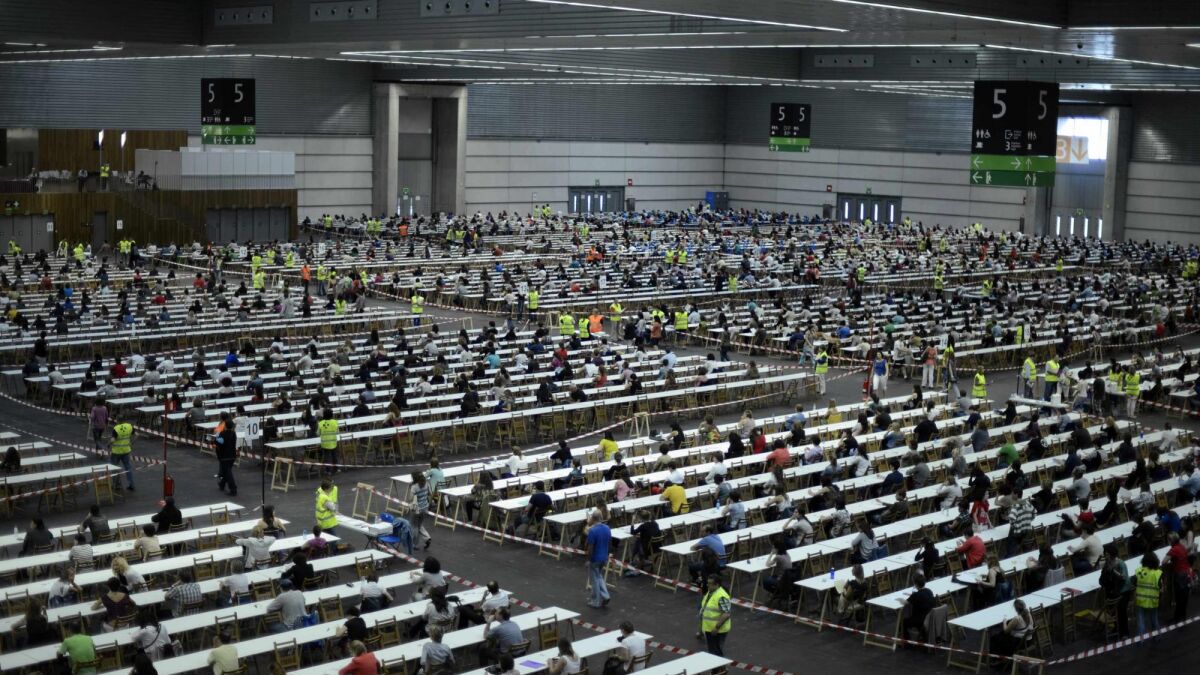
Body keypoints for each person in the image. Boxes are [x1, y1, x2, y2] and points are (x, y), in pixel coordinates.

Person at [700, 572, 732, 656]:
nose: (707, 585)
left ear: (717, 585)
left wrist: (716, 628)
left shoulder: (721, 596)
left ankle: (721, 665)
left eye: (710, 583)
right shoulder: (711, 592)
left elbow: (726, 614)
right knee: (712, 652)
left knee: (717, 654)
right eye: (707, 583)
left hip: (718, 630)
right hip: (709, 628)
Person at [1163, 532, 1192, 623]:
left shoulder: (1174, 549)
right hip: (1187, 573)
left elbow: (1164, 561)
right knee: (1184, 597)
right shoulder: (1181, 546)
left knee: (1179, 598)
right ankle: (1182, 617)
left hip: (1180, 575)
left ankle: (1177, 618)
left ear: (1171, 540)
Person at [585, 511, 611, 609]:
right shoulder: (607, 528)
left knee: (594, 580)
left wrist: (589, 560)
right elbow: (609, 543)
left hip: (595, 558)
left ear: (593, 518)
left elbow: (590, 547)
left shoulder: (592, 531)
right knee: (599, 576)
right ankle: (605, 595)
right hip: (604, 557)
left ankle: (595, 601)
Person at [1134, 551, 1163, 635]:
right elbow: (1161, 588)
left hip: (1140, 601)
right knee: (1154, 621)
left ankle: (1141, 640)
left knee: (1141, 623)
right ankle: (1157, 637)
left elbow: (1134, 583)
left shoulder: (1139, 571)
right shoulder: (1157, 573)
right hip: (1153, 601)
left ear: (1143, 561)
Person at [901, 574, 936, 641]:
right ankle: (921, 635)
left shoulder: (916, 595)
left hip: (920, 620)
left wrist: (900, 599)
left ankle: (906, 642)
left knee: (904, 622)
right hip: (929, 617)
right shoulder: (929, 591)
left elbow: (905, 602)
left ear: (916, 584)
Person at [214, 411, 238, 495]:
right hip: (232, 455)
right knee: (226, 471)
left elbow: (218, 443)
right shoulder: (233, 434)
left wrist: (215, 439)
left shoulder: (222, 434)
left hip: (224, 456)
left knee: (228, 473)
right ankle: (222, 484)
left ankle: (233, 489)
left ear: (225, 426)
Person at [110, 415, 135, 490]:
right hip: (126, 450)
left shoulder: (116, 428)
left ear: (117, 420)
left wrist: (108, 444)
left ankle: (116, 485)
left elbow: (113, 440)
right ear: (124, 419)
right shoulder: (129, 426)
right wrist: (132, 443)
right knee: (128, 468)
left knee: (114, 468)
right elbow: (137, 435)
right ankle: (131, 484)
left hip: (116, 452)